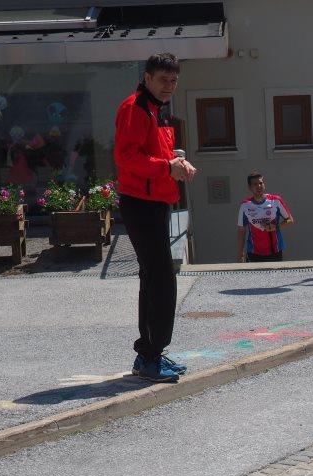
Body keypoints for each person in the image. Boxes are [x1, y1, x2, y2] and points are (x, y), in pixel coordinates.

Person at [114, 52, 196, 383]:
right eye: (163, 79)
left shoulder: (155, 108)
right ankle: (150, 355)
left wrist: (177, 162)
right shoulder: (135, 108)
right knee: (161, 278)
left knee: (153, 277)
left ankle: (149, 354)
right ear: (147, 78)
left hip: (155, 201)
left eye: (174, 80)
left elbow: (153, 154)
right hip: (140, 203)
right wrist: (167, 167)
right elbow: (127, 157)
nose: (169, 86)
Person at [236, 172, 294, 262]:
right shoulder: (245, 205)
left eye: (261, 183)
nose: (259, 186)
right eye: (255, 184)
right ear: (250, 187)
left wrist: (276, 227)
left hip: (275, 250)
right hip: (253, 251)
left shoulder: (276, 200)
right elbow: (241, 230)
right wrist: (240, 252)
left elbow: (290, 220)